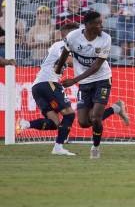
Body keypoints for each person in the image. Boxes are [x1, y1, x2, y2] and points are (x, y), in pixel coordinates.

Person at [19, 23, 129, 155]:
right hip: (49, 82)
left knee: (54, 122)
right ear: (67, 35)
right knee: (70, 114)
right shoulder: (61, 45)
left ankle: (26, 124)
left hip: (37, 87)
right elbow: (68, 60)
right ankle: (58, 147)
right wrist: (88, 61)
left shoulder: (66, 46)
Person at [54, 11, 130, 159]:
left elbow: (96, 67)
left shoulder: (105, 39)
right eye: (98, 23)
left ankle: (95, 148)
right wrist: (57, 71)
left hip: (102, 79)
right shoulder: (73, 37)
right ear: (88, 25)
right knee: (83, 122)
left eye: (101, 22)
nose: (101, 25)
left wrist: (74, 80)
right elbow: (65, 53)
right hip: (84, 82)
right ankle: (117, 108)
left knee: (95, 117)